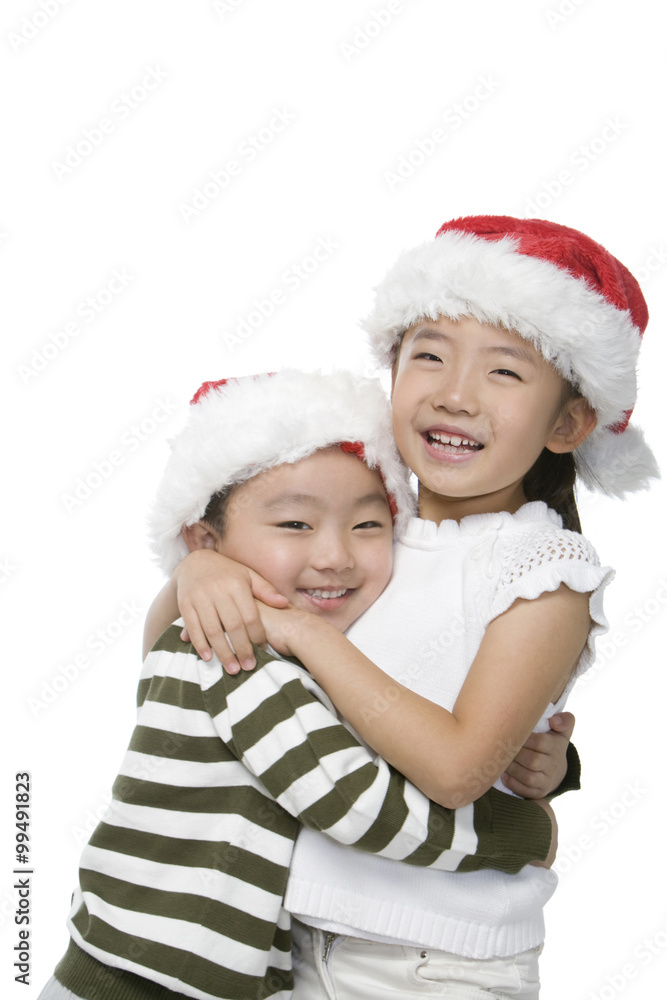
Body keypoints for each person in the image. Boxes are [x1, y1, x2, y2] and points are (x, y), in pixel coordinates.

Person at [167, 217, 658, 998]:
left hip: (435, 964)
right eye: (427, 354)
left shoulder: (544, 568)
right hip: (288, 938)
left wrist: (297, 631)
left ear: (566, 423)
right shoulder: (366, 524)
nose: (454, 394)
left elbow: (459, 769)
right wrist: (196, 571)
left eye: (504, 372)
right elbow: (196, 654)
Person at [38, 368, 565, 1000]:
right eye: (294, 526)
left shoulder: (280, 636)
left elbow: (418, 697)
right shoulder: (236, 653)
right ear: (205, 538)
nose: (336, 556)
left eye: (369, 526)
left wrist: (547, 758)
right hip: (145, 979)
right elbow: (355, 801)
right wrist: (528, 832)